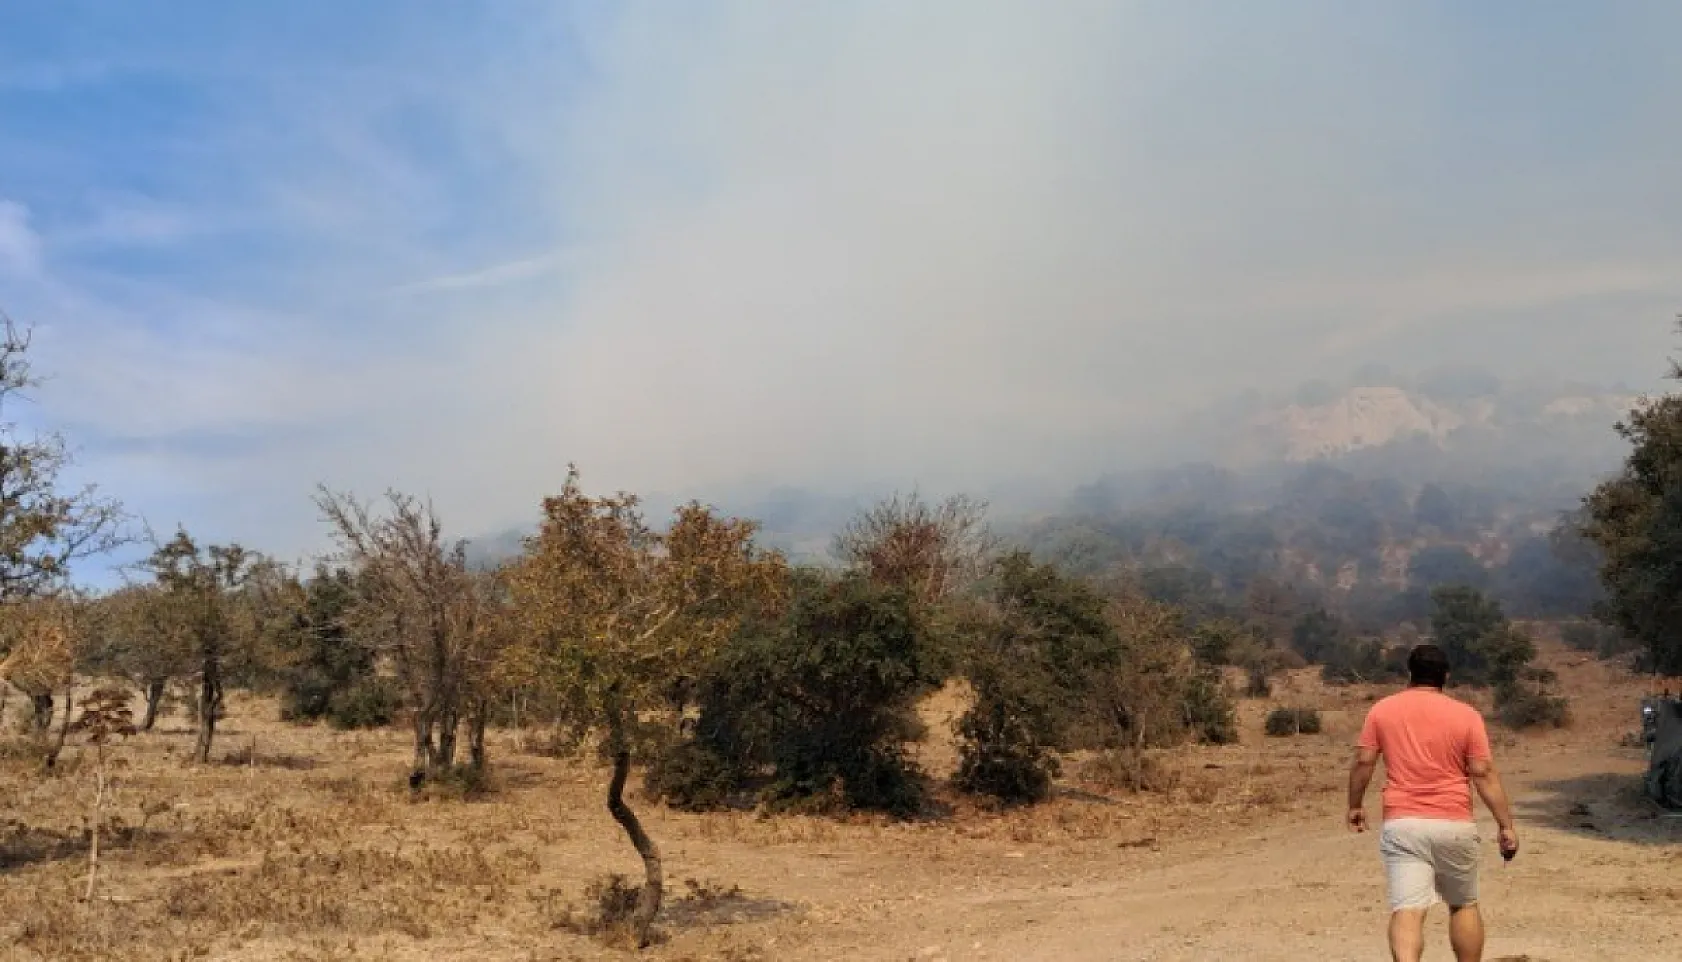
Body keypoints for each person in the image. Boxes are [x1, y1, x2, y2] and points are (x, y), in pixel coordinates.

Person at [1346, 644, 1519, 962]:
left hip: (1404, 824)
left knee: (1407, 910)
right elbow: (1482, 772)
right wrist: (1505, 825)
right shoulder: (1466, 715)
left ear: (1409, 673)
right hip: (1454, 824)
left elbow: (1364, 761)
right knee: (1463, 903)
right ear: (1446, 676)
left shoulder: (1382, 710)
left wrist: (1354, 805)